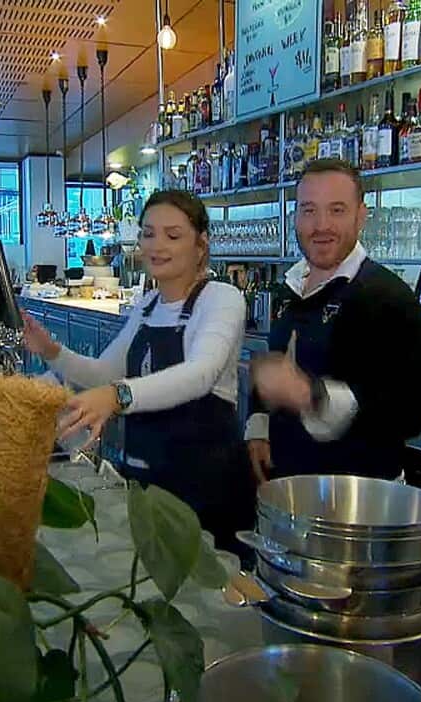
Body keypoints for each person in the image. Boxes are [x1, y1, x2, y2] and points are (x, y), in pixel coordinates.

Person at [22, 190, 254, 552]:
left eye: (173, 235)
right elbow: (103, 374)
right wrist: (51, 350)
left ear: (200, 244)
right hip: (147, 481)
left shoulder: (220, 298)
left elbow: (200, 374)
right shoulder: (147, 305)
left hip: (207, 489)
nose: (156, 245)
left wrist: (118, 395)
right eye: (148, 233)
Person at [246, 158, 421, 482]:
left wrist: (312, 396)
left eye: (336, 210)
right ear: (295, 217)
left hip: (360, 503)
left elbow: (410, 414)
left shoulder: (390, 298)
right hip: (289, 488)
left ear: (361, 216)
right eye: (309, 210)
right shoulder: (289, 288)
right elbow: (279, 365)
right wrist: (259, 426)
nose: (321, 226)